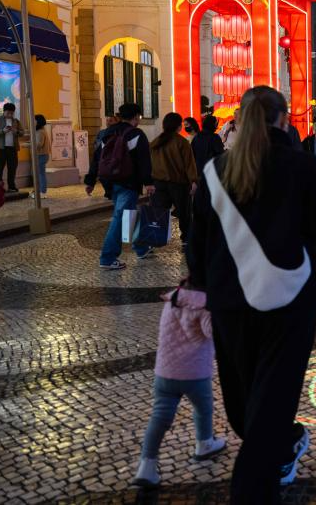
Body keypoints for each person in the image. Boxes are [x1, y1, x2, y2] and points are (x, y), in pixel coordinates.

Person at [188, 86, 316, 504]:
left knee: (259, 402)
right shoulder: (298, 169)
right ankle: (282, 443)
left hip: (251, 301)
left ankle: (253, 486)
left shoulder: (219, 171)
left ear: (239, 120)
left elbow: (196, 243)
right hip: (278, 301)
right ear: (284, 120)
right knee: (251, 405)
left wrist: (202, 288)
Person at [133, 278, 226, 488]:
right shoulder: (205, 304)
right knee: (203, 409)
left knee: (159, 418)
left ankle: (146, 466)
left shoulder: (173, 298)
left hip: (165, 372)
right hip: (195, 373)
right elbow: (213, 332)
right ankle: (204, 443)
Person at [85, 103, 155, 270]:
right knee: (121, 217)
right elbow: (144, 161)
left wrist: (90, 180)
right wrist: (149, 182)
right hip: (129, 182)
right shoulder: (136, 134)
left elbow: (97, 157)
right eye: (139, 117)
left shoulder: (107, 133)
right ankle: (108, 257)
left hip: (110, 181)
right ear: (136, 117)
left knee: (128, 212)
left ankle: (141, 247)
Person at [146, 112, 199, 250]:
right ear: (178, 126)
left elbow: (149, 163)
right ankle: (186, 240)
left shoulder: (155, 142)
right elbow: (189, 164)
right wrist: (194, 180)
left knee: (157, 212)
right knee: (184, 213)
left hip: (158, 183)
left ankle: (152, 240)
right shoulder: (182, 142)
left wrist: (148, 181)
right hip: (179, 184)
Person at [0, 102, 23, 192]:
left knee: (12, 167)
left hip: (12, 149)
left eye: (12, 113)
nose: (10, 115)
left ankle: (11, 186)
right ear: (4, 111)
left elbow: (22, 132)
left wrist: (16, 131)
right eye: (8, 113)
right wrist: (2, 131)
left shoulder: (16, 121)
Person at [31, 115, 50, 200]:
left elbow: (39, 144)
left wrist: (28, 145)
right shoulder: (41, 130)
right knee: (39, 174)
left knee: (41, 174)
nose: (33, 122)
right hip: (42, 155)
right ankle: (38, 191)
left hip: (41, 155)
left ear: (38, 121)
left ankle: (42, 192)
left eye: (34, 120)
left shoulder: (40, 132)